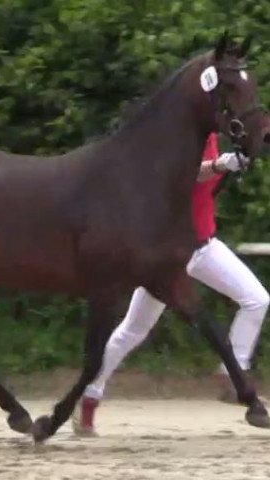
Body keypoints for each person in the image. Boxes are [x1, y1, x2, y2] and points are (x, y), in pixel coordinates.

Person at [75, 132, 269, 436]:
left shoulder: (212, 135)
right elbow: (183, 176)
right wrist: (219, 165)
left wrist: (238, 161)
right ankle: (89, 397)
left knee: (257, 299)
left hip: (204, 244)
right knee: (133, 330)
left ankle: (233, 376)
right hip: (169, 254)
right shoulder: (176, 134)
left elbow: (209, 182)